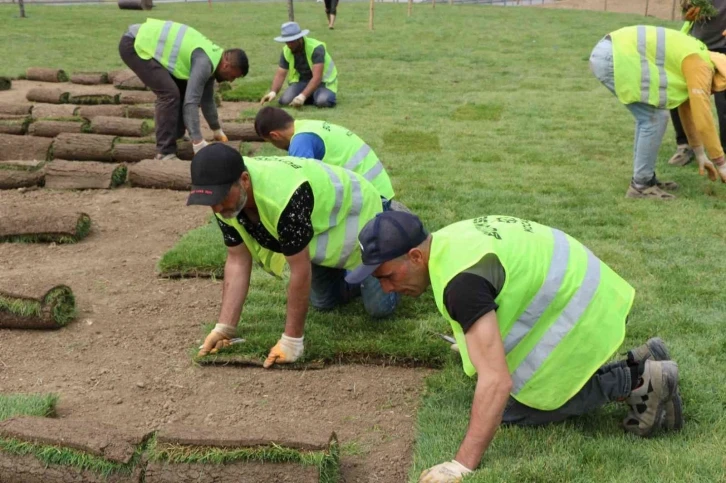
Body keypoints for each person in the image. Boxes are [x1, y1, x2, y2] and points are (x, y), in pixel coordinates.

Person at [346, 212, 683, 482]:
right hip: (592, 289)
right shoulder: (449, 241)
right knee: (496, 390)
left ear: (415, 256)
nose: (387, 289)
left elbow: (496, 381)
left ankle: (637, 382)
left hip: (581, 310)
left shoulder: (460, 284)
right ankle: (641, 360)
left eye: (386, 276)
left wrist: (460, 465)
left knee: (511, 409)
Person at [189, 144, 398, 368]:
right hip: (322, 230)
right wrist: (224, 328)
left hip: (360, 214)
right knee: (323, 302)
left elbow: (299, 269)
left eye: (221, 198)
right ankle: (354, 277)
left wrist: (292, 341)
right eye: (211, 201)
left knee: (379, 308)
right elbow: (237, 259)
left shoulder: (285, 195)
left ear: (245, 180)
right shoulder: (225, 203)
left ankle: (394, 234)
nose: (217, 208)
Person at [590, 25, 726, 200]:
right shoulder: (700, 65)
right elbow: (703, 117)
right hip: (613, 56)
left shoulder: (701, 55)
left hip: (610, 51)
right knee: (653, 118)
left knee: (651, 117)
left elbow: (686, 109)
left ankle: (644, 179)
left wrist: (700, 154)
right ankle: (640, 186)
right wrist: (721, 163)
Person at [119, 18, 248, 160]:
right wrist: (198, 141)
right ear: (226, 65)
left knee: (182, 89)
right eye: (232, 76)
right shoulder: (205, 63)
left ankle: (177, 137)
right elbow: (191, 103)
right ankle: (165, 152)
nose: (231, 80)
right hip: (136, 43)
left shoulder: (214, 59)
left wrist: (216, 129)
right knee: (169, 94)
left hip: (145, 42)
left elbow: (207, 100)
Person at [253, 106, 394, 200]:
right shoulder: (307, 125)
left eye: (271, 142)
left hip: (372, 197)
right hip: (380, 188)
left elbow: (301, 187)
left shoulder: (300, 141)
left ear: (275, 135)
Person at [668, 2, 726, 167]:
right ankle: (685, 146)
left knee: (724, 104)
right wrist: (687, 9)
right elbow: (687, 10)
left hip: (724, 47)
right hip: (694, 46)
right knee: (679, 94)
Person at [259, 22, 338, 109]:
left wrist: (302, 96)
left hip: (323, 83)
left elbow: (317, 78)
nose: (289, 45)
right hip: (302, 82)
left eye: (292, 42)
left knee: (322, 101)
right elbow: (280, 74)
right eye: (287, 42)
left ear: (299, 38)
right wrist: (273, 92)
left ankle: (312, 96)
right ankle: (310, 95)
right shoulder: (286, 50)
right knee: (285, 101)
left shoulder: (316, 48)